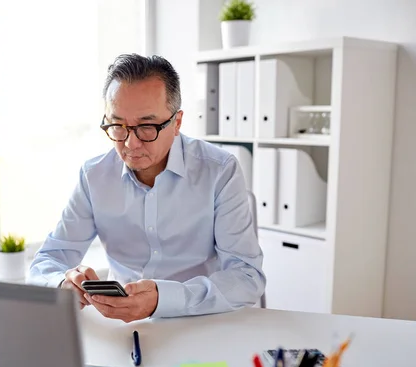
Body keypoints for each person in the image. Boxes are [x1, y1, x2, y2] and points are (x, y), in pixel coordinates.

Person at [27, 54, 265, 322]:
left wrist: (163, 299)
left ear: (177, 123)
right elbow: (45, 262)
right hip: (123, 329)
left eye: (147, 126)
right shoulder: (94, 176)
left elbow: (246, 278)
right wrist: (63, 281)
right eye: (118, 125)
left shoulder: (220, 170)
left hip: (201, 322)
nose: (130, 144)